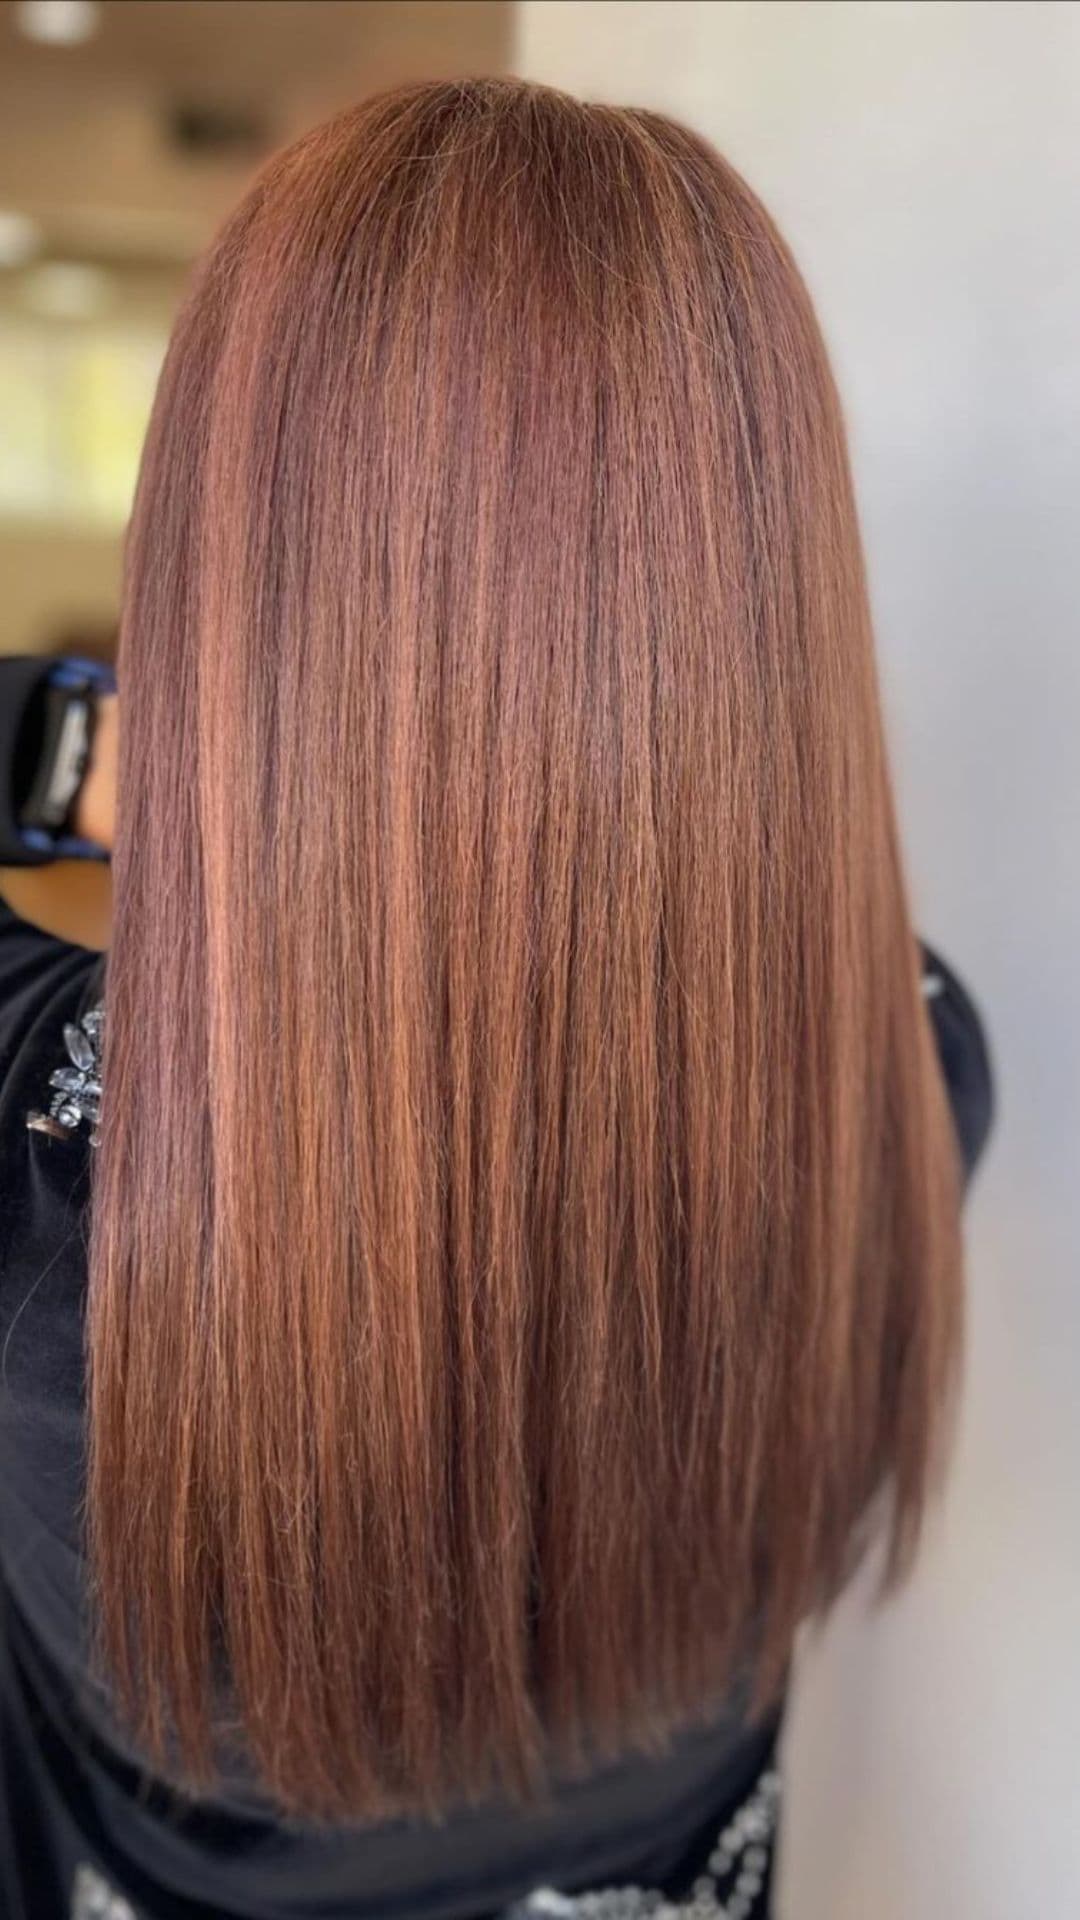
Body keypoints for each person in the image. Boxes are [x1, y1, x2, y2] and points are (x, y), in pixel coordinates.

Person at [0, 78, 993, 1920]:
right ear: (763, 590)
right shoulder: (911, 1068)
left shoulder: (54, 1185)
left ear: (237, 579)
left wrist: (84, 757)